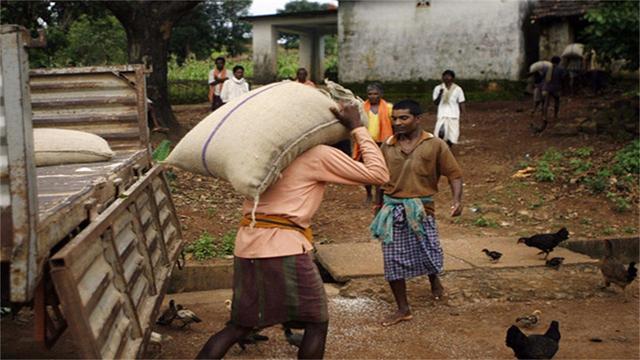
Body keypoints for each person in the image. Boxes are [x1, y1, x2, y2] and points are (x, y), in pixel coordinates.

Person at [196, 104, 389, 359]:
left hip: (247, 245)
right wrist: (357, 128)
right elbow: (379, 173)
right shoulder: (317, 155)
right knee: (316, 323)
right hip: (284, 247)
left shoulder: (259, 154)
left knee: (239, 326)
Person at [371, 99, 463, 327]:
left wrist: (457, 200)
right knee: (392, 259)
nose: (398, 122)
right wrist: (377, 206)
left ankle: (434, 281)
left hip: (423, 210)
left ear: (418, 119)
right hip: (392, 210)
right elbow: (380, 180)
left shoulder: (435, 145)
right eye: (395, 118)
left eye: (404, 118)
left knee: (428, 251)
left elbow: (454, 175)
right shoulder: (388, 145)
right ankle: (403, 308)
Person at [353, 83, 393, 203]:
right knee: (367, 169)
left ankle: (379, 195)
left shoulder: (389, 108)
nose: (373, 96)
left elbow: (394, 124)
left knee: (382, 168)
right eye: (370, 94)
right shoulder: (361, 108)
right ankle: (369, 193)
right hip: (366, 143)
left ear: (381, 94)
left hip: (383, 143)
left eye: (376, 94)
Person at [433, 70, 466, 147]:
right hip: (442, 114)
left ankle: (448, 146)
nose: (446, 78)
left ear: (453, 78)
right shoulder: (438, 88)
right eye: (445, 76)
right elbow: (436, 103)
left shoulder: (458, 89)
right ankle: (441, 146)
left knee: (453, 135)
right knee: (439, 132)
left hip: (453, 114)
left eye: (449, 76)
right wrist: (440, 94)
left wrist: (464, 113)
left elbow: (461, 101)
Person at [538, 56, 566, 133]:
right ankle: (555, 115)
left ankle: (544, 116)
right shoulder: (561, 69)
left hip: (546, 87)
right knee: (557, 102)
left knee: (546, 103)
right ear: (559, 62)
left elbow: (542, 76)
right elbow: (563, 78)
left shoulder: (546, 68)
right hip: (556, 88)